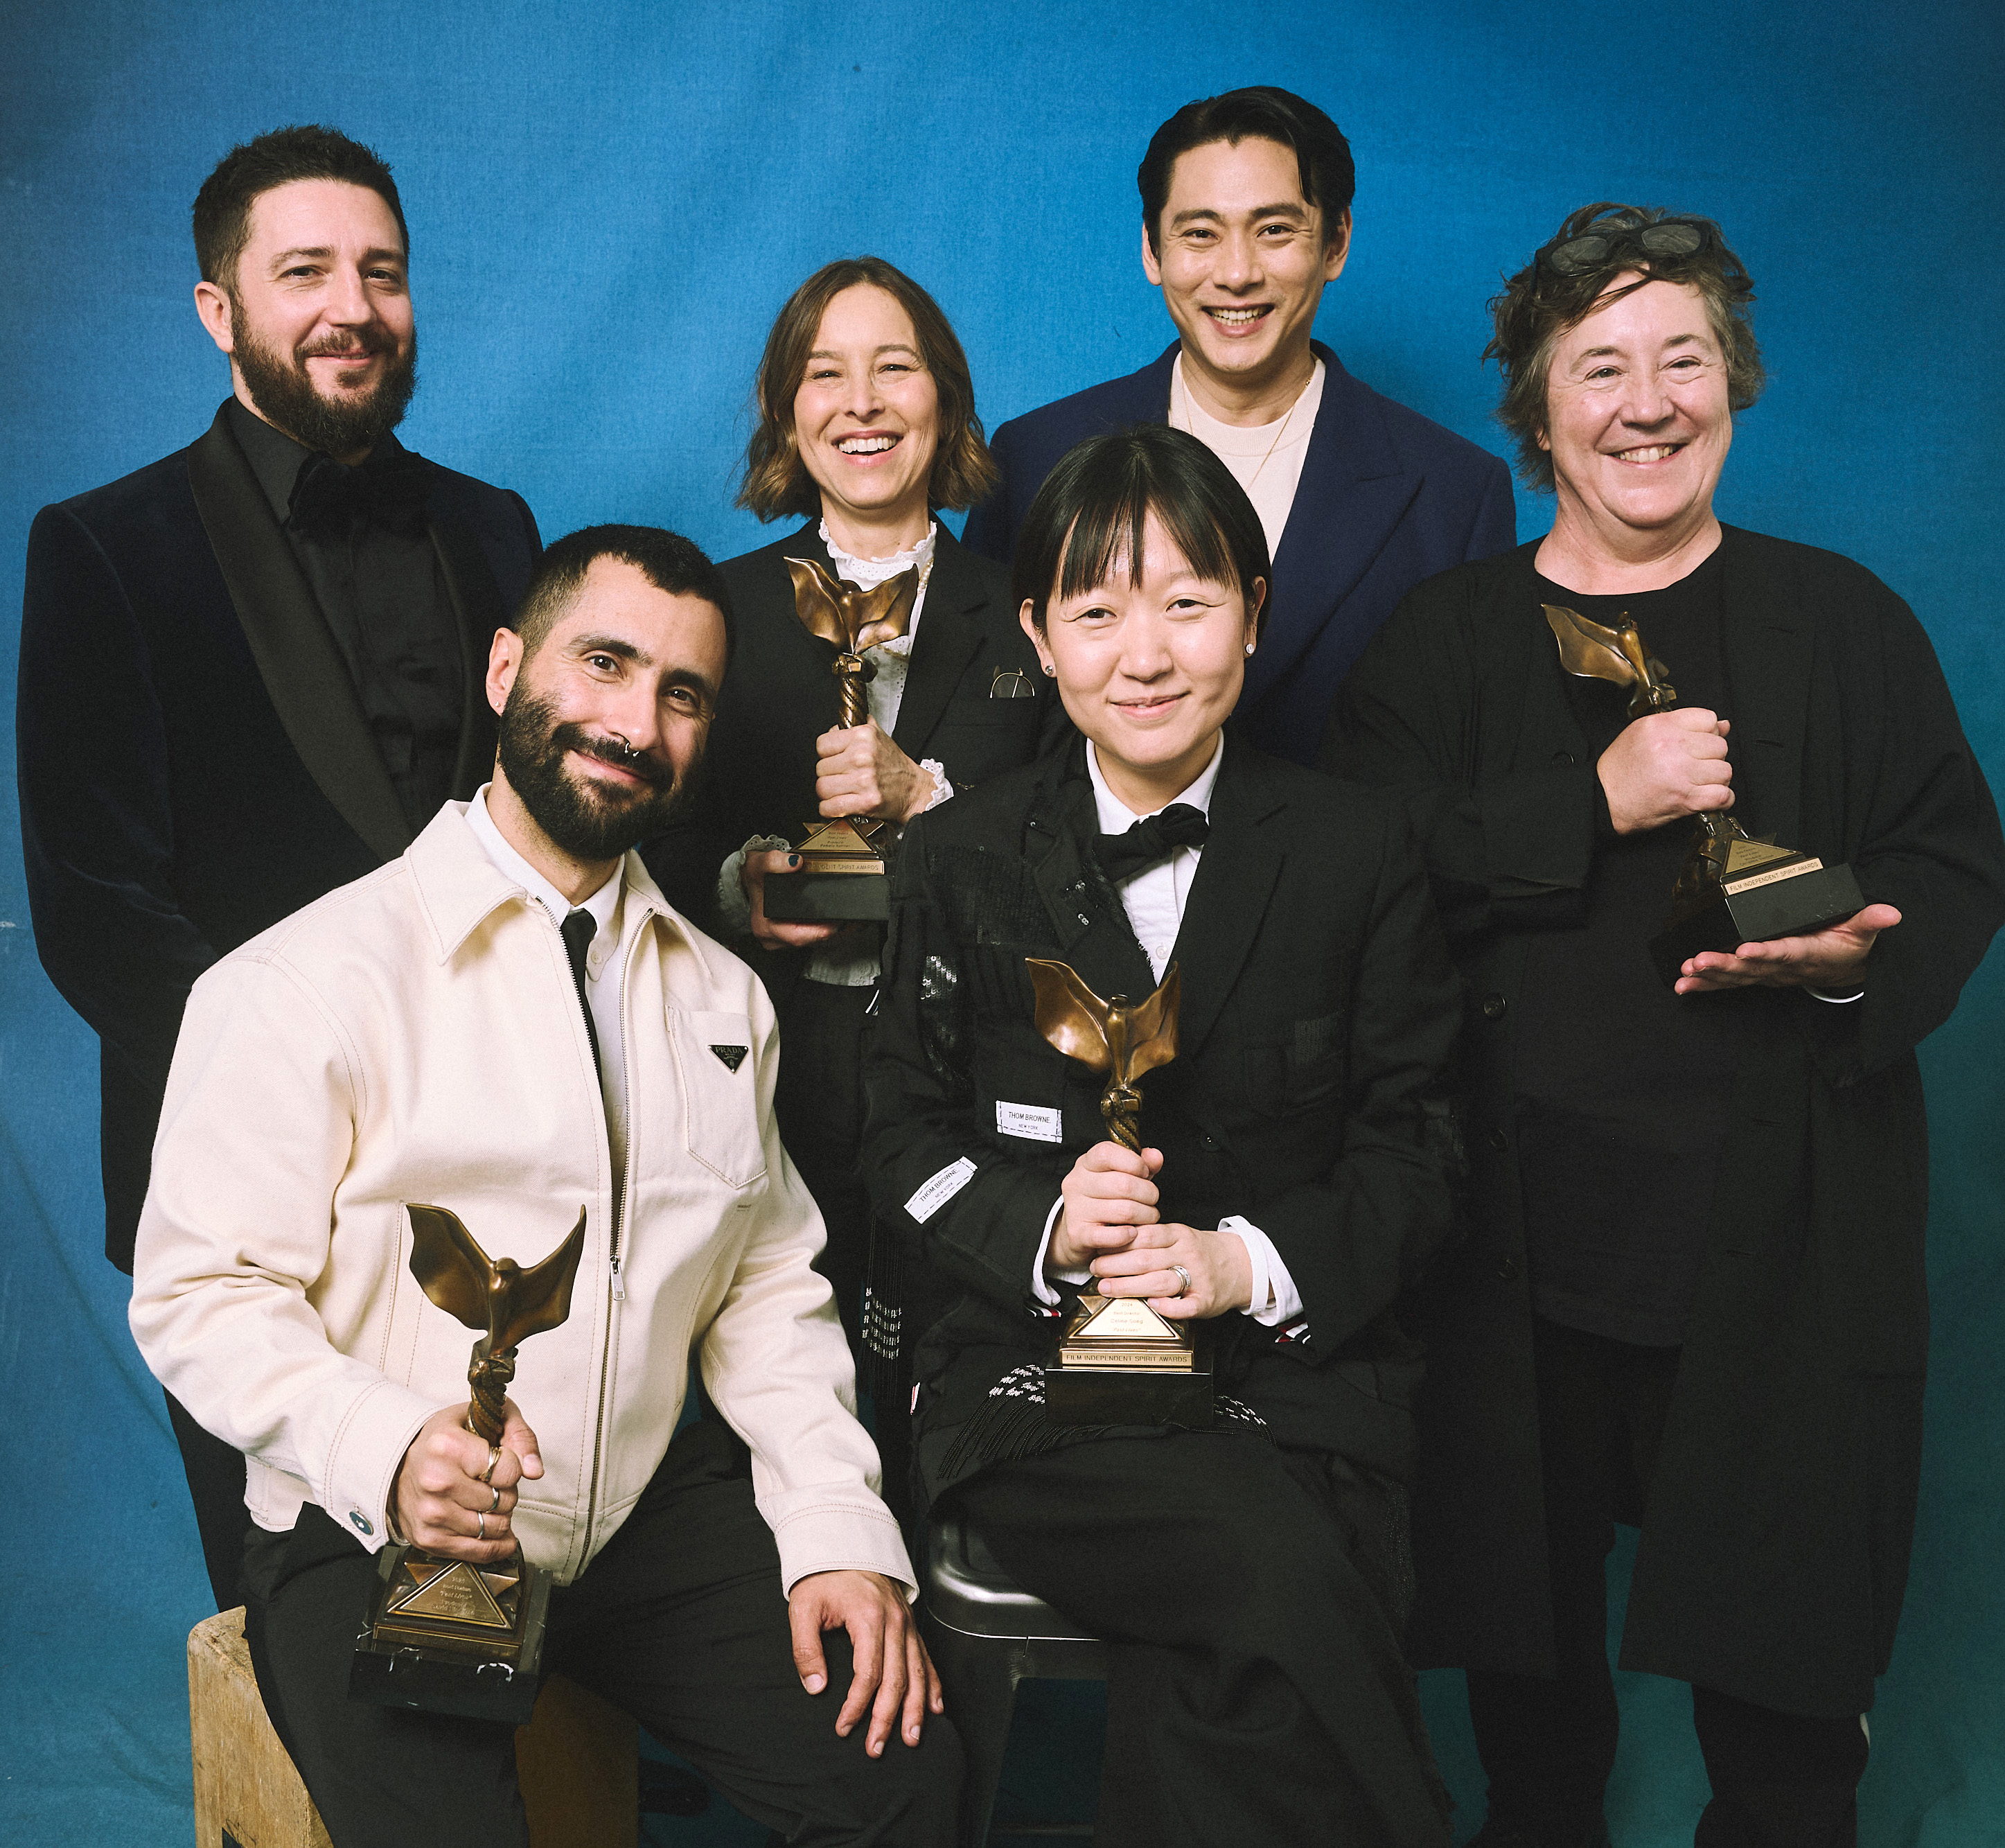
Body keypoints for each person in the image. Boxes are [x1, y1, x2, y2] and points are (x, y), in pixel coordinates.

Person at [1325, 204, 2005, 1848]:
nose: (1645, 403)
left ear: (1734, 385)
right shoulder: (1441, 641)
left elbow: (1948, 859)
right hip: (1512, 1265)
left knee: (1787, 1759)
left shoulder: (1842, 621)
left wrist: (1846, 961)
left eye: (1681, 360)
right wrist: (1588, 802)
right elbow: (1352, 881)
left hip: (1776, 1255)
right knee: (1534, 1752)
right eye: (1600, 367)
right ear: (1539, 409)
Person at [127, 525, 960, 1848]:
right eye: (606, 663)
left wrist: (833, 1527)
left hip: (632, 1515)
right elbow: (196, 1291)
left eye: (680, 694)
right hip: (375, 1528)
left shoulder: (721, 994)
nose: (636, 721)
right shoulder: (301, 980)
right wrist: (388, 1446)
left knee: (900, 1771)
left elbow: (764, 1284)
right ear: (510, 667)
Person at [865, 424, 1463, 1845]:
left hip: (1286, 1370)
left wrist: (1245, 1260)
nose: (1145, 653)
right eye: (1096, 609)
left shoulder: (1355, 848)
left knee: (1236, 1655)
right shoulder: (955, 856)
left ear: (1253, 617)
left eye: (1187, 602)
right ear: (1039, 634)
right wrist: (1044, 1226)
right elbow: (891, 1135)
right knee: (1273, 1562)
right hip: (1026, 1381)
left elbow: (1421, 1150)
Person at [17, 124, 541, 1610]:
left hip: (493, 1163)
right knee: (290, 1620)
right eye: (303, 269)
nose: (351, 306)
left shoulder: (496, 527)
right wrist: (324, 1100)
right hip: (240, 1189)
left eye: (382, 270)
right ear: (217, 307)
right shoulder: (101, 545)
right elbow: (94, 911)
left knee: (507, 1595)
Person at [647, 257, 1067, 1508]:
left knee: (959, 1417)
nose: (861, 401)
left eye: (894, 367)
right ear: (786, 413)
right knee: (770, 1405)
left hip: (977, 1088)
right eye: (824, 373)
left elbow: (1080, 841)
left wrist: (923, 796)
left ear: (945, 401)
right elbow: (644, 845)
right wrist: (742, 880)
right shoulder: (714, 612)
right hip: (767, 1084)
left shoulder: (1035, 614)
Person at [961, 85, 1515, 764]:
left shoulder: (1454, 494)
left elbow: (1471, 767)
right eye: (1199, 233)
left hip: (1351, 869)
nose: (1235, 273)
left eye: (1274, 230)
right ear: (1151, 251)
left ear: (1335, 242)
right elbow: (986, 731)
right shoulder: (1034, 458)